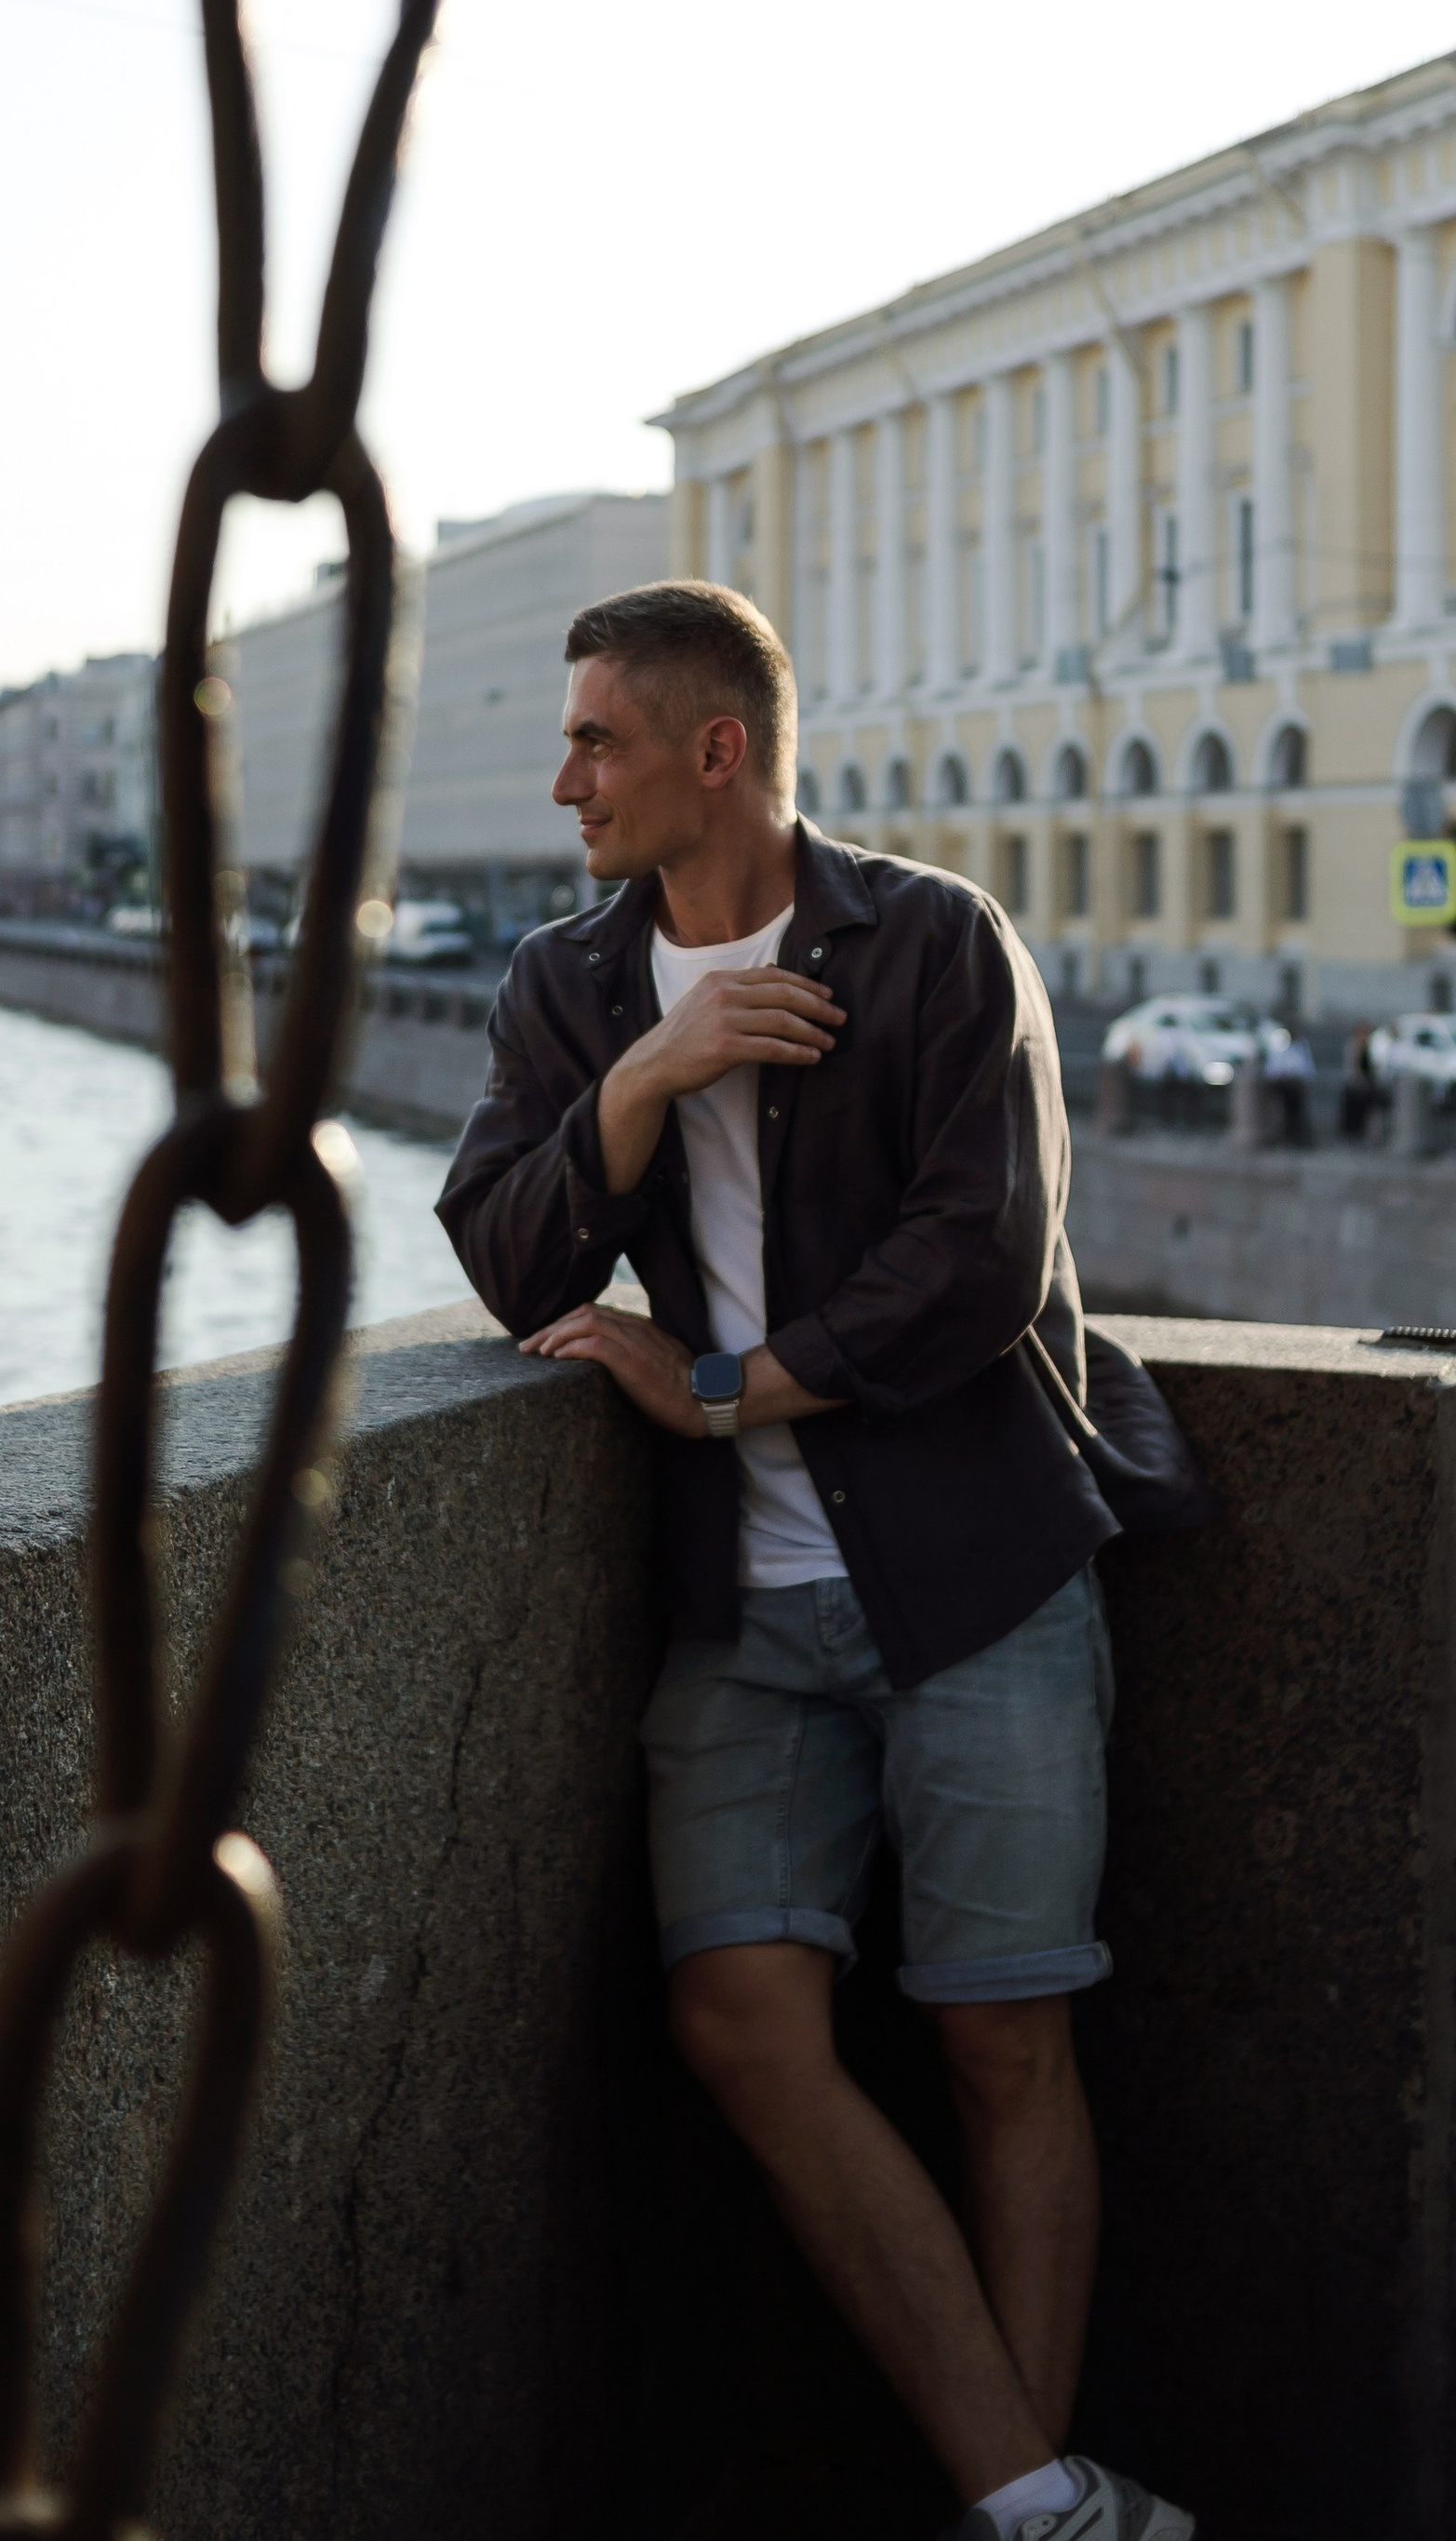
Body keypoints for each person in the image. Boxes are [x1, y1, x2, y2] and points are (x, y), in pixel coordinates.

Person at [437, 580, 1207, 2541]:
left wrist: (726, 1387)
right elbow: (509, 1255)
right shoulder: (571, 986)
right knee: (739, 2021)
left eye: (598, 739)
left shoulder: (936, 944)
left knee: (998, 2036)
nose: (565, 781)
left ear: (717, 749)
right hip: (742, 1614)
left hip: (976, 1574)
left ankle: (1016, 2513)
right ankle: (1041, 2500)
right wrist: (642, 1080)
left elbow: (977, 1255)